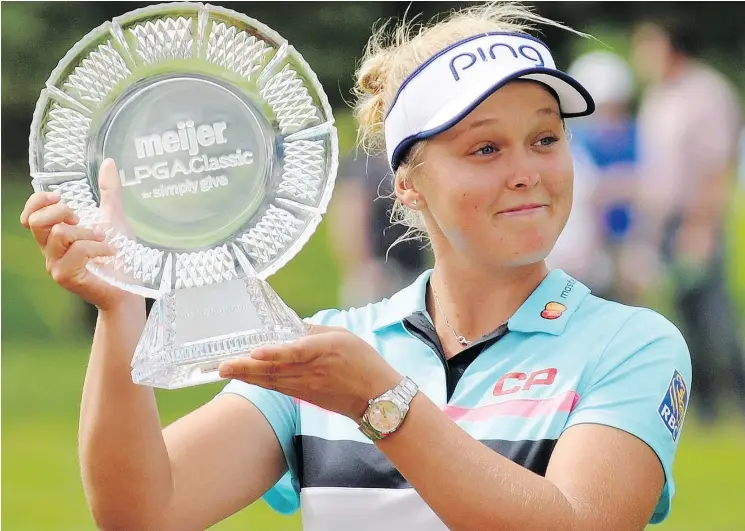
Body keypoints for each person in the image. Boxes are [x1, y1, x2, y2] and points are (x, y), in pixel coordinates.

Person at [21, 3, 692, 530]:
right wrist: (120, 304)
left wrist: (380, 402)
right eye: (484, 148)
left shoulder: (629, 344)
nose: (526, 172)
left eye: (544, 138)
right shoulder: (329, 353)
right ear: (406, 184)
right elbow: (142, 512)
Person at [630, 18, 745, 424]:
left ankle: (736, 396)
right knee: (682, 315)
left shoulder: (706, 93)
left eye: (647, 46)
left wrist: (700, 228)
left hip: (696, 219)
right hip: (663, 223)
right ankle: (706, 407)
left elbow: (714, 168)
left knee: (713, 314)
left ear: (670, 47)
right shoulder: (657, 98)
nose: (640, 57)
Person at [548, 50, 641, 303]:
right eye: (606, 109)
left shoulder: (635, 136)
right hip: (584, 252)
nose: (612, 119)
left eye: (617, 108)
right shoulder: (574, 144)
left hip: (625, 242)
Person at [328, 151, 430, 308]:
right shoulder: (364, 166)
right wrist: (361, 265)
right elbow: (351, 218)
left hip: (413, 270)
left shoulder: (407, 158)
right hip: (380, 270)